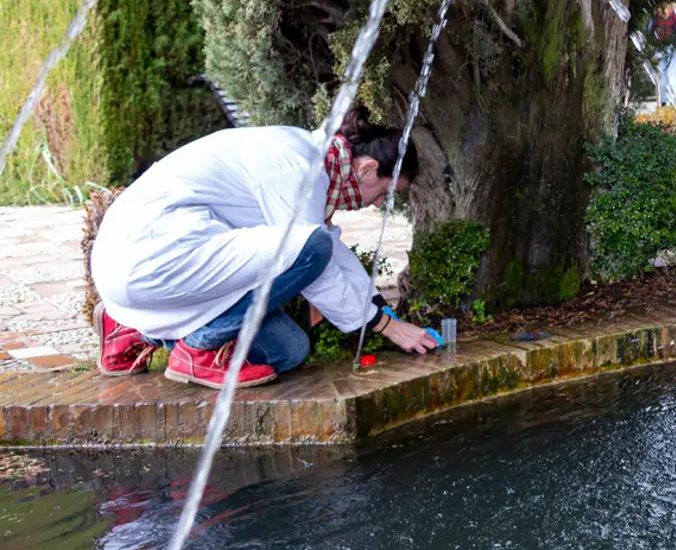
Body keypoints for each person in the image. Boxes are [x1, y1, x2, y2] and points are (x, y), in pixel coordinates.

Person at [89, 112, 440, 389]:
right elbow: (313, 256)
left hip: (160, 268)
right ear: (366, 168)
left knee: (287, 351)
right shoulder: (298, 166)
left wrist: (384, 314)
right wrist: (386, 328)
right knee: (309, 248)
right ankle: (198, 351)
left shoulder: (318, 166)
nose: (379, 205)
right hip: (148, 255)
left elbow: (330, 250)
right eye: (383, 193)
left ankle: (130, 327)